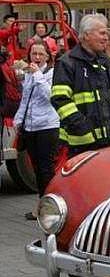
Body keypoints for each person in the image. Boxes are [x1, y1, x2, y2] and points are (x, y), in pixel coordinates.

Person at [51, 14, 110, 158]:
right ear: (86, 35)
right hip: (83, 144)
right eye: (102, 33)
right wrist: (83, 127)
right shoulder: (67, 63)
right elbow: (60, 99)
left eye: (106, 33)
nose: (106, 38)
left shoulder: (105, 62)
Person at [13, 40, 59, 217]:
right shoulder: (29, 74)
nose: (37, 57)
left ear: (48, 56)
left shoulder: (52, 73)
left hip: (48, 126)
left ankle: (50, 209)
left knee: (46, 170)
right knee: (38, 170)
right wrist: (18, 120)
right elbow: (26, 99)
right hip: (31, 127)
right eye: (34, 54)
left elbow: (50, 96)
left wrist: (38, 75)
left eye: (41, 54)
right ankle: (42, 206)